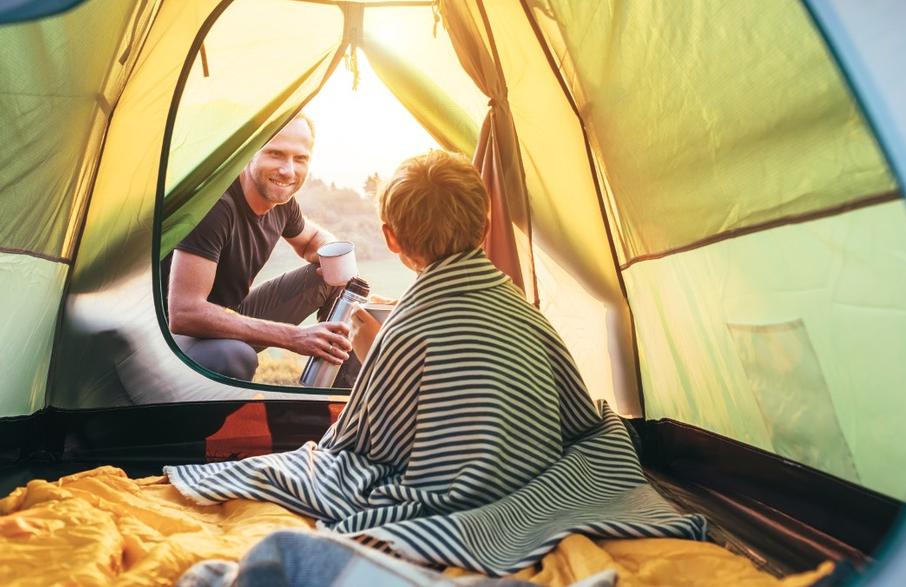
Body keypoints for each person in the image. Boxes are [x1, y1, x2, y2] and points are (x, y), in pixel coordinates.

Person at [165, 150, 705, 575]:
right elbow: (571, 415)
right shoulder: (530, 316)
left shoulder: (409, 328)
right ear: (484, 223)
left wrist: (367, 357)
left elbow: (366, 442)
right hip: (535, 479)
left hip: (445, 500)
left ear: (392, 239)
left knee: (327, 468)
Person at [165, 114, 351, 381]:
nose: (288, 170)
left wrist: (337, 264)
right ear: (249, 152)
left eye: (300, 159)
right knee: (234, 357)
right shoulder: (216, 206)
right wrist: (294, 337)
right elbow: (184, 312)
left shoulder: (282, 203)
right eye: (275, 154)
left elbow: (313, 241)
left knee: (337, 275)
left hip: (227, 316)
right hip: (171, 338)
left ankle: (335, 404)